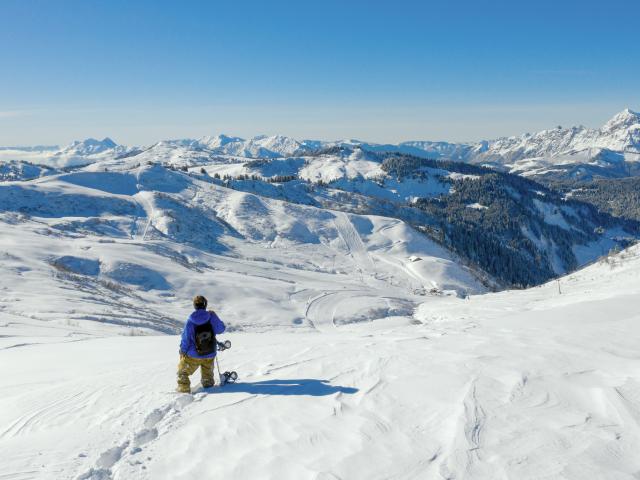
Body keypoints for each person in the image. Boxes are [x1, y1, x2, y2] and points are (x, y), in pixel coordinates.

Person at [177, 295, 226, 393]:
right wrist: (215, 315)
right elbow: (221, 329)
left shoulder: (190, 321)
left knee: (183, 372)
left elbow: (186, 338)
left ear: (195, 305)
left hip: (193, 355)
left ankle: (184, 391)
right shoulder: (211, 316)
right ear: (205, 305)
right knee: (207, 375)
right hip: (210, 353)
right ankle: (209, 388)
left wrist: (182, 351)